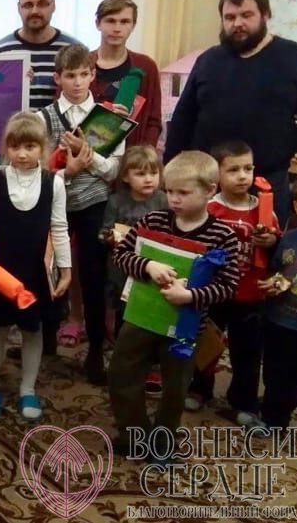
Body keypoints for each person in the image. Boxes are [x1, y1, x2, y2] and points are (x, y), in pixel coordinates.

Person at [107, 151, 240, 462]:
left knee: (175, 388)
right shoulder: (153, 220)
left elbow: (228, 285)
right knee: (122, 373)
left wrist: (190, 296)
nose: (174, 199)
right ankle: (134, 435)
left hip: (185, 326)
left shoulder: (223, 236)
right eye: (169, 191)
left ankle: (162, 443)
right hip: (141, 317)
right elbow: (121, 254)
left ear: (210, 190)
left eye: (183, 192)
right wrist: (148, 265)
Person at [165, 0, 297, 225]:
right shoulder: (209, 60)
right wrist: (170, 169)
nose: (237, 23)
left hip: (266, 181)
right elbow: (184, 117)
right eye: (230, 17)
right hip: (207, 183)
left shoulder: (296, 57)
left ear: (265, 15)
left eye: (246, 15)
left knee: (264, 245)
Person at [0, 112, 71, 421]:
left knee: (33, 329)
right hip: (0, 271)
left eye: (30, 146)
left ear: (42, 147)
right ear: (6, 148)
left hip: (36, 271)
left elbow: (60, 228)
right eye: (15, 147)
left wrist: (66, 269)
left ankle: (28, 389)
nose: (23, 154)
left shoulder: (54, 183)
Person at [40, 43, 123, 384]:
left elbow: (114, 170)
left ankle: (95, 352)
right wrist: (68, 169)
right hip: (54, 204)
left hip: (94, 203)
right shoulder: (43, 118)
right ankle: (46, 340)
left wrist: (85, 154)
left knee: (93, 277)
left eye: (83, 74)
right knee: (47, 269)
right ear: (58, 78)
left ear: (93, 75)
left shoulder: (108, 118)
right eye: (70, 75)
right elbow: (36, 171)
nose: (77, 82)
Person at [185, 141, 279, 425]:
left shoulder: (264, 210)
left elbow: (278, 248)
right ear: (217, 176)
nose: (242, 176)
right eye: (233, 170)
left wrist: (271, 241)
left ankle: (244, 401)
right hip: (213, 292)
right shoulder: (210, 208)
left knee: (247, 352)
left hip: (250, 294)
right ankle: (199, 388)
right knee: (206, 342)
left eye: (248, 169)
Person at [260, 171, 297, 444]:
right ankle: (274, 419)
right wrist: (272, 284)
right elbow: (277, 269)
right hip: (282, 322)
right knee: (278, 376)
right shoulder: (290, 238)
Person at [101, 145, 167, 337]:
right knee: (123, 310)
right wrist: (110, 237)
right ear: (125, 176)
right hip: (122, 267)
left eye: (154, 173)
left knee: (150, 309)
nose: (148, 179)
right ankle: (120, 344)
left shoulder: (163, 200)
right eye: (140, 174)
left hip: (153, 264)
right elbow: (103, 232)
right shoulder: (116, 201)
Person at [0, 0, 81, 111]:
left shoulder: (74, 51)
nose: (35, 11)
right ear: (19, 8)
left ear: (53, 6)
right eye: (28, 5)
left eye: (42, 4)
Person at [89, 0, 162, 147]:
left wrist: (145, 153)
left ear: (133, 25)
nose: (117, 28)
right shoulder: (81, 63)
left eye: (124, 22)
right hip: (84, 153)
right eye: (110, 21)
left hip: (132, 154)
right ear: (98, 24)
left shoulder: (146, 66)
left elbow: (153, 121)